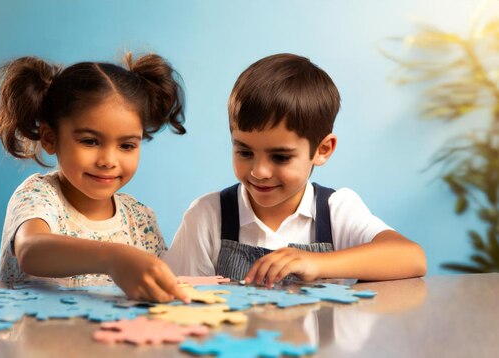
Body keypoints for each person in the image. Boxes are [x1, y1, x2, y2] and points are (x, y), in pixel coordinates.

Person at [164, 53, 427, 287]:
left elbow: (412, 258)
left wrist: (317, 264)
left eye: (280, 157)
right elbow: (181, 300)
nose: (260, 171)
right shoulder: (208, 216)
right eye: (245, 152)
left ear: (322, 150)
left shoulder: (336, 209)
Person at [0, 52, 189, 303]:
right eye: (90, 141)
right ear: (49, 138)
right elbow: (30, 250)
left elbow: (159, 286)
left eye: (127, 146)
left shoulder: (140, 218)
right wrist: (113, 258)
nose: (108, 160)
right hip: (37, 341)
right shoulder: (38, 195)